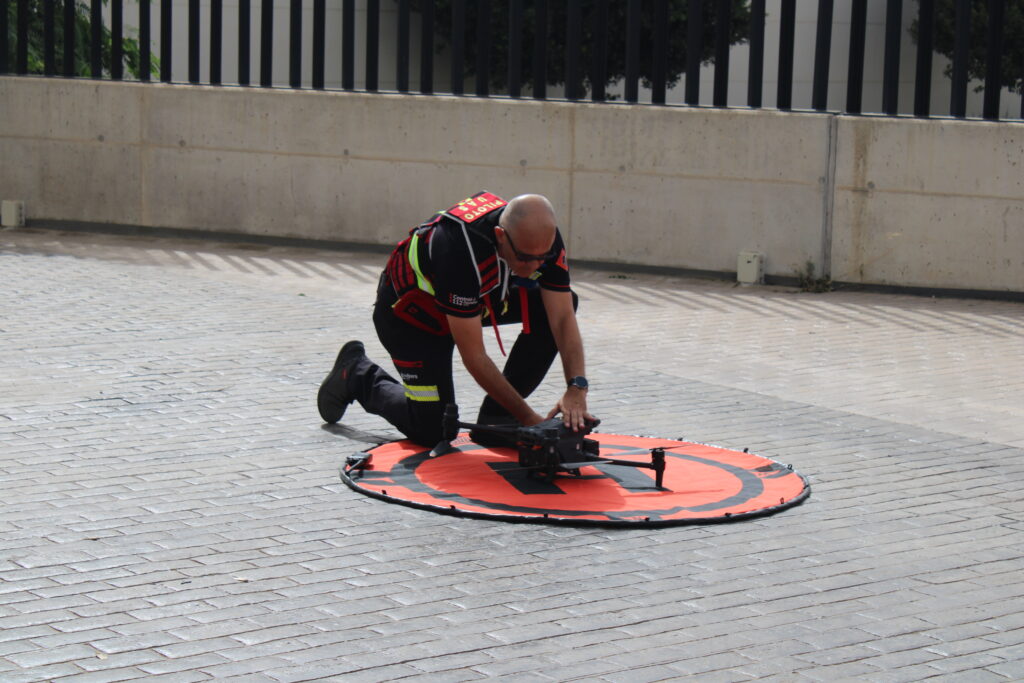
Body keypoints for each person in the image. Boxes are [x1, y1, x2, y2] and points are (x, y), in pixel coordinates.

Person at [317, 191, 594, 447]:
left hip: (474, 303)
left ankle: (496, 420)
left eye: (541, 258)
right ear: (500, 235)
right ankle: (356, 374)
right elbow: (474, 357)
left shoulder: (540, 238)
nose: (534, 266)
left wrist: (577, 387)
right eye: (524, 258)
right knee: (434, 430)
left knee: (560, 303)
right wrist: (531, 419)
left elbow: (561, 317)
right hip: (412, 320)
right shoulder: (457, 248)